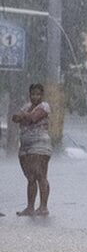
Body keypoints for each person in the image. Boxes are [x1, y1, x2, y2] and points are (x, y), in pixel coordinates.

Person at [11, 83, 52, 217]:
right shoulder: (27, 107)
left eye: (38, 94)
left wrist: (24, 116)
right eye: (33, 94)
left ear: (42, 95)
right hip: (25, 145)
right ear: (30, 95)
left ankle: (43, 207)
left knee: (41, 175)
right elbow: (15, 118)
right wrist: (23, 116)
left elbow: (34, 118)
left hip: (40, 145)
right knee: (30, 177)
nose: (35, 97)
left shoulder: (44, 106)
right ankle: (30, 207)